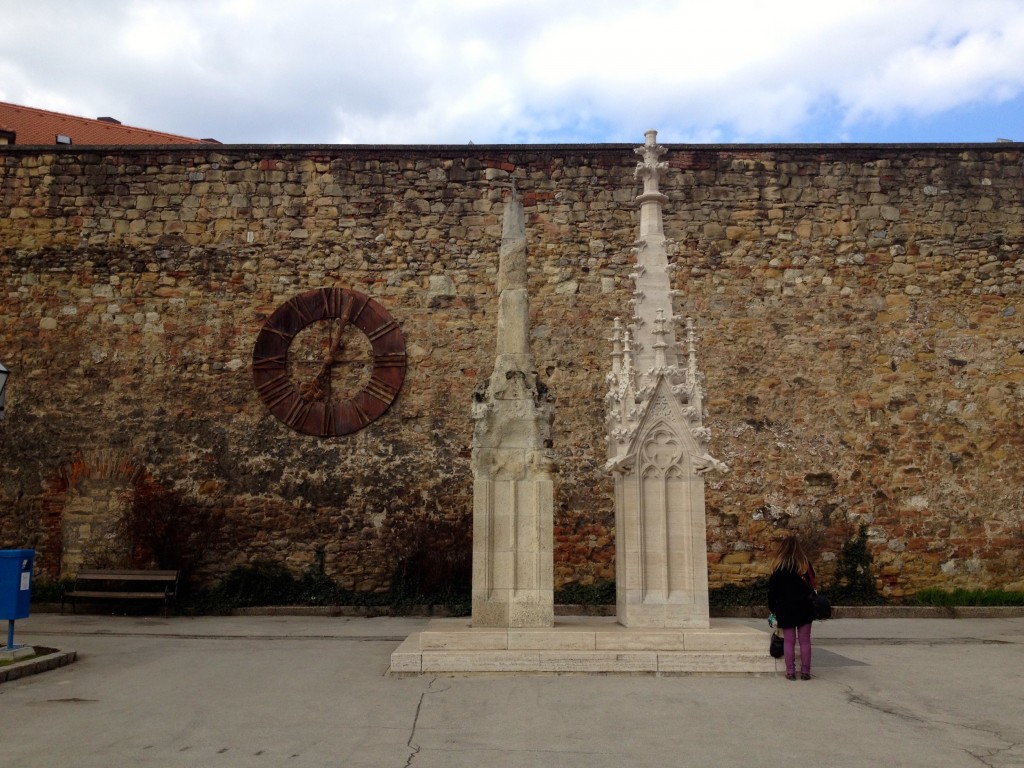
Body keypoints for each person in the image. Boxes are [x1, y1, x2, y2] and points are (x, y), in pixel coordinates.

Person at [767, 535, 817, 680]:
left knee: (789, 641)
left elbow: (772, 592)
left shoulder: (778, 567)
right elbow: (812, 583)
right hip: (805, 606)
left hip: (785, 608)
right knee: (805, 640)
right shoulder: (805, 565)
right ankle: (806, 672)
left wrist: (772, 609)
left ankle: (790, 672)